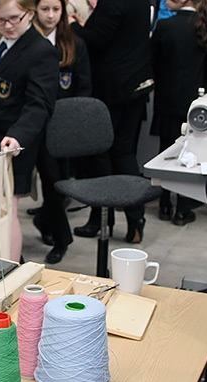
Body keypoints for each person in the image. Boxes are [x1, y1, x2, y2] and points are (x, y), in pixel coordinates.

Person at [0, 0, 59, 263]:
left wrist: (19, 135)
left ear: (29, 13)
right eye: (0, 20)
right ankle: (0, 255)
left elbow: (39, 103)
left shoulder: (41, 50)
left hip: (11, 140)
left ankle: (7, 266)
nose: (7, 26)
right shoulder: (0, 43)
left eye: (14, 18)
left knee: (7, 208)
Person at [70, 0, 153, 243]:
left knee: (102, 153)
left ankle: (101, 218)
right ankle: (134, 219)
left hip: (113, 87)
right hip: (136, 83)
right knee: (124, 151)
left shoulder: (112, 3)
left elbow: (97, 40)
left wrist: (74, 26)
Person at [30, 0, 92, 264]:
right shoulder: (26, 41)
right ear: (34, 10)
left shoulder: (73, 43)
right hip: (29, 124)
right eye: (45, 9)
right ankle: (46, 221)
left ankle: (61, 238)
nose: (51, 15)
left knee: (55, 184)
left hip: (57, 127)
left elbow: (83, 87)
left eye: (56, 9)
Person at [150, 0, 207, 225]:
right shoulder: (203, 26)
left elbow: (153, 62)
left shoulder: (166, 27)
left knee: (165, 151)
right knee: (192, 154)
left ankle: (165, 203)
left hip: (166, 98)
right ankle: (183, 208)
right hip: (195, 101)